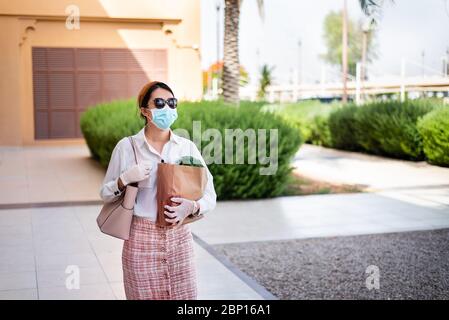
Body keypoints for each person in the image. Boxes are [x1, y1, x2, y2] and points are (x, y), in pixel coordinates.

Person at [99, 81, 217, 300]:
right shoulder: (127, 147)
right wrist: (124, 180)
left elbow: (210, 194)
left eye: (172, 103)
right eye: (160, 103)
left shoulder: (186, 147)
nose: (167, 108)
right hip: (140, 241)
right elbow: (105, 194)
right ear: (145, 111)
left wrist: (192, 207)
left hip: (180, 240)